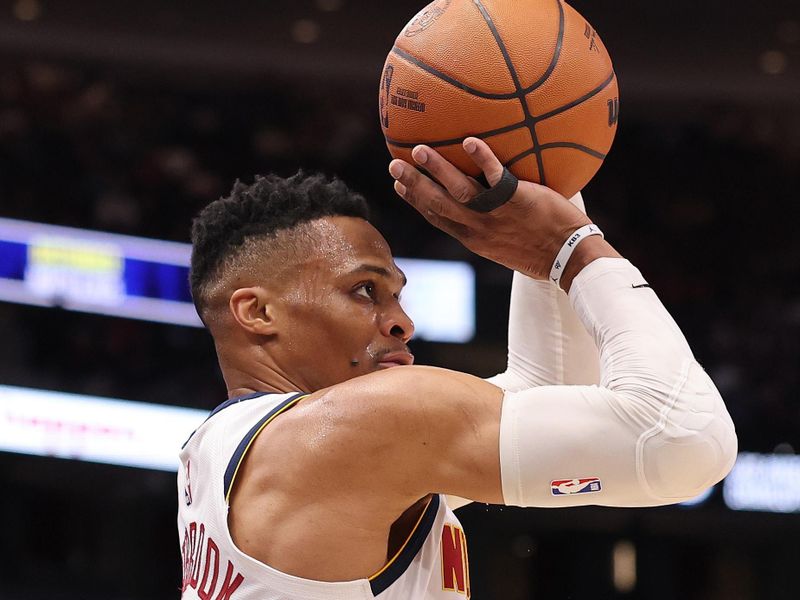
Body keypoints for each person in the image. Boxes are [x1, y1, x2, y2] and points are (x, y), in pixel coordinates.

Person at [177, 138, 737, 599]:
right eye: (364, 290)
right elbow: (684, 441)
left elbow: (549, 392)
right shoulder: (361, 428)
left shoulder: (220, 450)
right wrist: (575, 248)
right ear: (257, 311)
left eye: (397, 296)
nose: (402, 323)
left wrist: (551, 181)